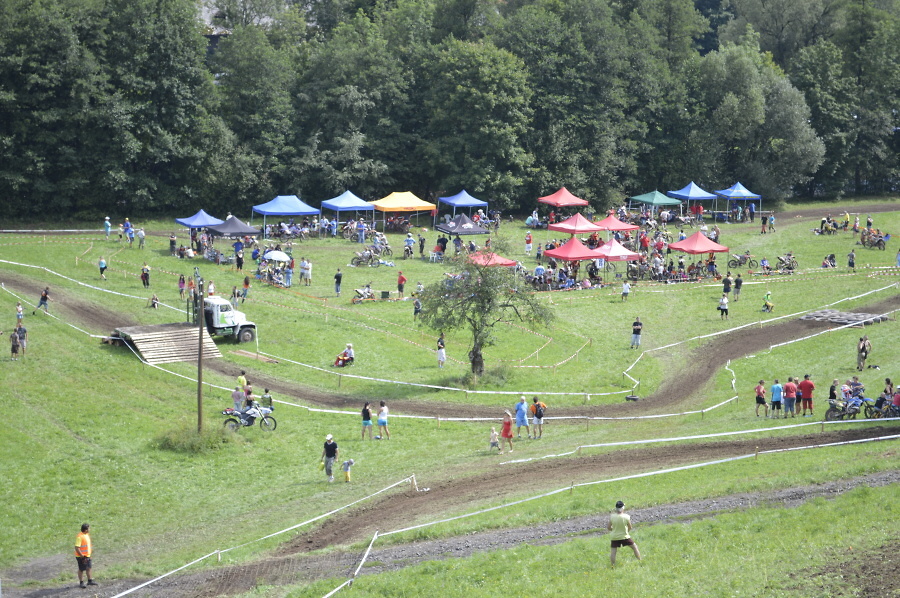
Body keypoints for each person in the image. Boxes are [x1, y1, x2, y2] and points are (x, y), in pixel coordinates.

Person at [608, 501, 641, 566]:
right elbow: (630, 527)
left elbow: (609, 527)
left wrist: (614, 530)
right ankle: (640, 560)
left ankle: (612, 565)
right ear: (623, 508)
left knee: (613, 552)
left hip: (615, 537)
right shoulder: (626, 517)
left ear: (616, 508)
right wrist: (626, 531)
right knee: (635, 547)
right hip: (625, 536)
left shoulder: (612, 516)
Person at [75, 523, 97, 588]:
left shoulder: (86, 535)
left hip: (87, 555)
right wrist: (81, 555)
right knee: (81, 569)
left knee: (89, 568)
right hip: (81, 556)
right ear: (86, 530)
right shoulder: (79, 537)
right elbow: (77, 547)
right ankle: (81, 582)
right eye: (89, 528)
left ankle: (90, 581)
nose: (90, 529)